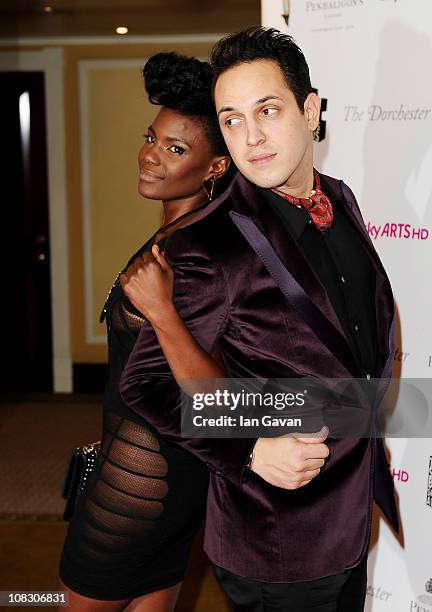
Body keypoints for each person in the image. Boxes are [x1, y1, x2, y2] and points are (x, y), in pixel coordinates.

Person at [119, 27, 399, 611]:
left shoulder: (341, 199)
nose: (251, 137)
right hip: (274, 540)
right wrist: (248, 447)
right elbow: (145, 385)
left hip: (349, 514)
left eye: (266, 110)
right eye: (231, 119)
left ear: (311, 110)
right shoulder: (207, 244)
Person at [57, 52, 233, 611]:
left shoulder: (196, 253)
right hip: (166, 475)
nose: (151, 156)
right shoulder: (186, 233)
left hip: (135, 481)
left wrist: (161, 311)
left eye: (176, 149)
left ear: (216, 167)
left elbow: (216, 395)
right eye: (152, 138)